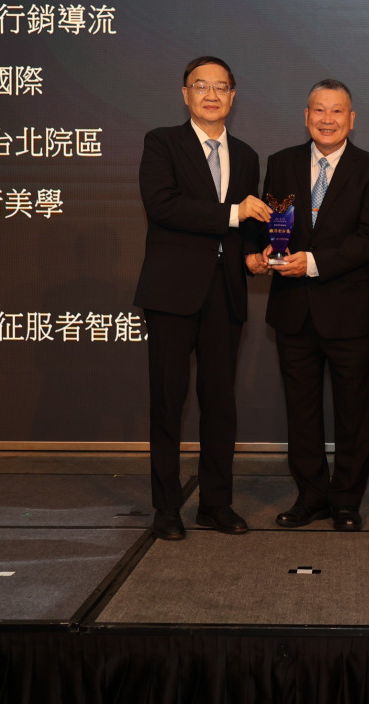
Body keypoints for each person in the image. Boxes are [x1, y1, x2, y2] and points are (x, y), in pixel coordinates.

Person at [133, 56, 271, 541]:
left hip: (226, 294)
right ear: (185, 94)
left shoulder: (247, 155)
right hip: (172, 292)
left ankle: (216, 503)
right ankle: (167, 507)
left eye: (221, 87)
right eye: (201, 86)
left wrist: (255, 256)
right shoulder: (162, 142)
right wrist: (233, 213)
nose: (211, 95)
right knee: (168, 403)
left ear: (233, 96)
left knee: (220, 404)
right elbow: (163, 206)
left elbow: (248, 227)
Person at [257, 79, 369, 532]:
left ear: (351, 119)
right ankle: (311, 496)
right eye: (319, 110)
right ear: (306, 115)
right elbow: (274, 224)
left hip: (349, 312)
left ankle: (347, 501)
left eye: (337, 111)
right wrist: (265, 251)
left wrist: (313, 262)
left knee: (353, 412)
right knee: (302, 411)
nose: (327, 119)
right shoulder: (280, 163)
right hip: (292, 310)